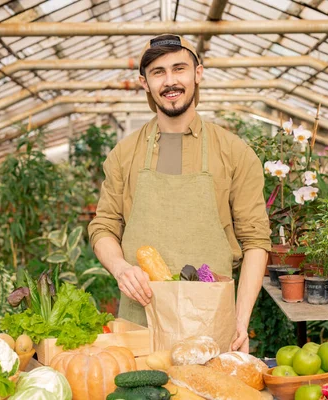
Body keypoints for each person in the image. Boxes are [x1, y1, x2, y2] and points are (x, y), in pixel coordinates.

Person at [88, 34, 271, 352]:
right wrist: (120, 268)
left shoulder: (233, 151)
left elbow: (256, 241)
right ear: (144, 82)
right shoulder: (125, 153)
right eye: (158, 72)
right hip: (140, 325)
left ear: (197, 73)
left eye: (179, 69)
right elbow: (103, 227)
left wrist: (240, 322)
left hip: (212, 326)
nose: (170, 81)